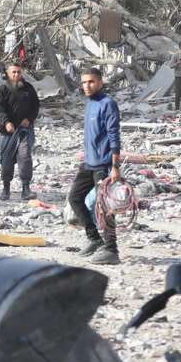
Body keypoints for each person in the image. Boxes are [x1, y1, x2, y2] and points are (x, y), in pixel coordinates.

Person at [68, 68, 123, 265]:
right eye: (84, 82)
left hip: (104, 164)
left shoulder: (108, 104)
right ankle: (94, 239)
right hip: (89, 163)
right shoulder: (90, 103)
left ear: (100, 82)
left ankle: (111, 249)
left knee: (104, 207)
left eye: (91, 82)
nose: (87, 86)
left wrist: (115, 166)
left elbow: (114, 136)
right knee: (75, 198)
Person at [0, 62, 39, 201]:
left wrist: (29, 119)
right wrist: (6, 122)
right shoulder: (2, 88)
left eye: (19, 72)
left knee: (25, 157)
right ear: (7, 73)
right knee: (6, 161)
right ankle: (6, 188)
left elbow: (35, 106)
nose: (16, 75)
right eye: (13, 72)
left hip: (24, 130)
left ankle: (26, 189)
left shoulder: (28, 88)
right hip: (8, 132)